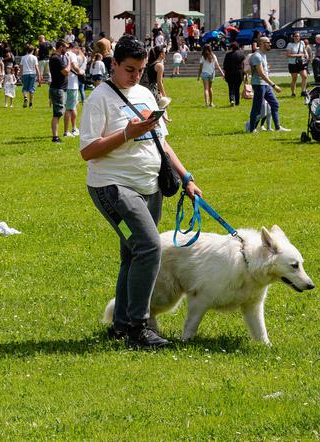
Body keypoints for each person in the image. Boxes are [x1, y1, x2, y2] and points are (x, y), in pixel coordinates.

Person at [78, 35, 202, 349]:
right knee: (148, 247)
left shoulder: (145, 93)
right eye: (129, 69)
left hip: (151, 187)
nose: (135, 76)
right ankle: (138, 328)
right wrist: (127, 133)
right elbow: (88, 151)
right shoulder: (99, 99)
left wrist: (186, 176)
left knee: (133, 255)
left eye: (140, 70)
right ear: (114, 64)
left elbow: (163, 142)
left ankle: (120, 326)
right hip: (113, 188)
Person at [245, 37, 289, 133]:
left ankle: (277, 127)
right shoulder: (257, 56)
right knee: (256, 107)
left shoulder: (263, 55)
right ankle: (251, 129)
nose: (270, 44)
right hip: (259, 84)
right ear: (262, 43)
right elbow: (261, 73)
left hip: (265, 84)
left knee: (275, 104)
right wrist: (274, 85)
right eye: (268, 43)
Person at [49, 40, 71, 143]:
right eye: (65, 47)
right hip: (58, 89)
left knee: (58, 113)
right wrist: (70, 62)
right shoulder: (56, 59)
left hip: (60, 88)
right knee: (57, 114)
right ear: (60, 47)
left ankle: (56, 136)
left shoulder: (57, 58)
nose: (66, 50)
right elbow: (66, 72)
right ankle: (55, 137)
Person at [64, 43, 82, 137]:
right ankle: (68, 131)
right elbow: (75, 67)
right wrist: (81, 71)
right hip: (72, 85)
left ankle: (74, 128)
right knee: (70, 108)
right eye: (78, 49)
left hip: (64, 85)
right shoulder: (72, 55)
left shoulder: (63, 55)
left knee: (72, 107)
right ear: (75, 48)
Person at [285, 32, 309, 97]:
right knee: (294, 78)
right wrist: (299, 55)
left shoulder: (302, 43)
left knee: (304, 76)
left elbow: (304, 50)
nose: (297, 37)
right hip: (293, 63)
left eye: (298, 36)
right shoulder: (290, 44)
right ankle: (293, 93)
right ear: (293, 37)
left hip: (301, 63)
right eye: (295, 36)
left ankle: (303, 91)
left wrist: (306, 54)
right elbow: (288, 55)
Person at [222, 42, 245, 106]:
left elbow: (225, 65)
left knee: (231, 87)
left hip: (230, 73)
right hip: (239, 73)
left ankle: (232, 100)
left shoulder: (228, 55)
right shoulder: (242, 55)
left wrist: (224, 73)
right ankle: (237, 102)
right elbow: (244, 65)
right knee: (237, 88)